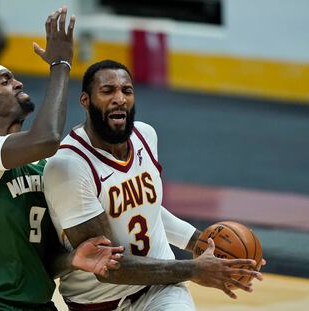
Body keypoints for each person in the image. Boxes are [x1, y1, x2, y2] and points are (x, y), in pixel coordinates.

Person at [43, 59, 264, 311]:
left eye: (127, 90)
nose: (119, 98)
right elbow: (108, 267)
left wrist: (206, 246)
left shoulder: (145, 136)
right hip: (98, 303)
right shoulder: (69, 167)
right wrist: (194, 269)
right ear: (85, 100)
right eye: (107, 91)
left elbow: (148, 211)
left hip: (161, 288)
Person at [0, 7, 123, 311]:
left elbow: (40, 259)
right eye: (4, 81)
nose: (17, 83)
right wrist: (60, 64)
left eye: (14, 79)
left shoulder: (44, 167)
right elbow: (47, 139)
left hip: (41, 304)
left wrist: (73, 258)